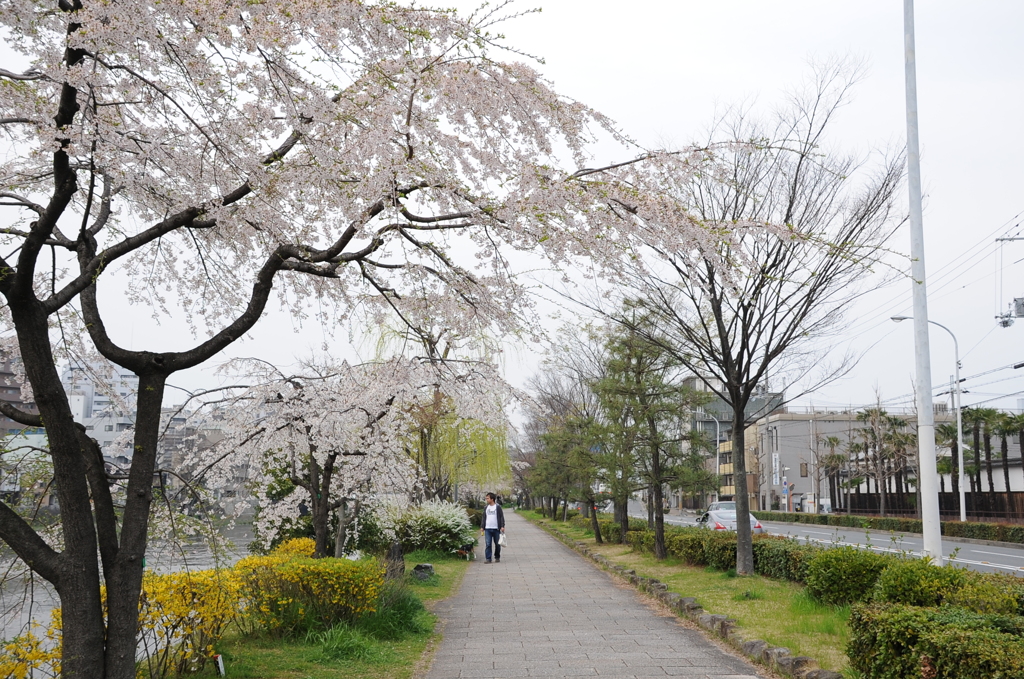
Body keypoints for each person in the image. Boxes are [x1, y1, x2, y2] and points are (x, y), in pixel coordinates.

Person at [481, 492, 505, 564]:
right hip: (487, 528)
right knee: (488, 544)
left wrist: (502, 526)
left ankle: (497, 556)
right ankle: (488, 558)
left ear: (492, 499)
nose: (486, 499)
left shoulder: (497, 507)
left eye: (488, 498)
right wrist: (482, 526)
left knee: (497, 544)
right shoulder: (486, 508)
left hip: (496, 528)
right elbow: (484, 518)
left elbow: (501, 517)